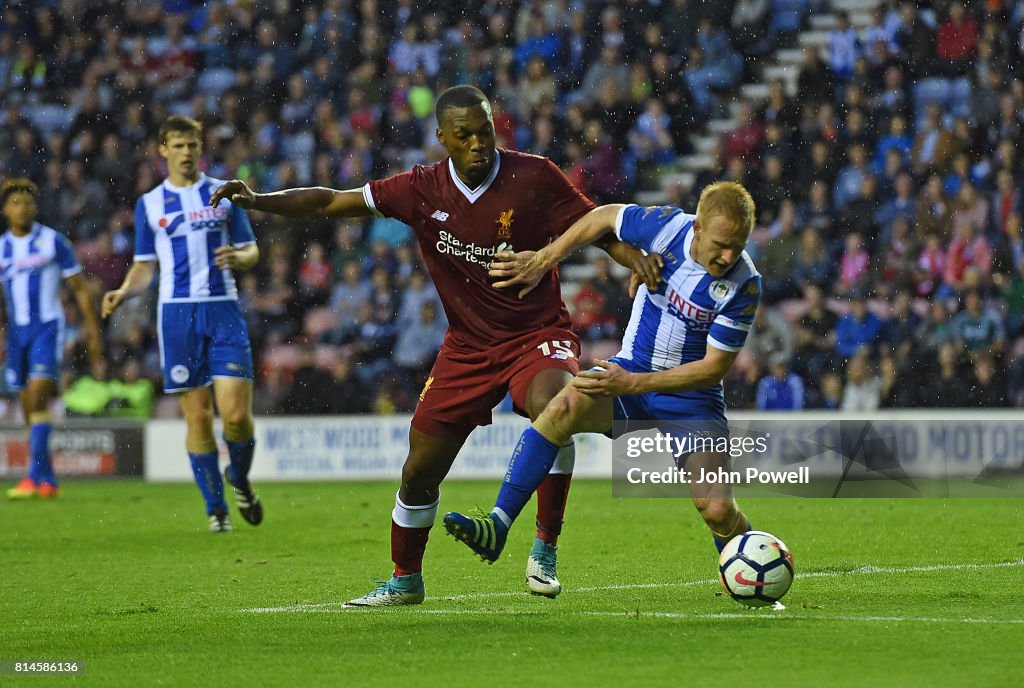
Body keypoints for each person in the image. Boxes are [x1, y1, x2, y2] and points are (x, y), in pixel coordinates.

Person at [210, 85, 659, 606]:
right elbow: (333, 201)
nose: (476, 144)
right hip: (466, 348)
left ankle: (544, 548)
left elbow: (598, 228)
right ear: (442, 137)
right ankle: (406, 578)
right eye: (463, 135)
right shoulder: (419, 188)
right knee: (418, 469)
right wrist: (258, 199)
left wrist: (636, 261)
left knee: (556, 405)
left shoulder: (534, 175)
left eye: (484, 131)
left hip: (536, 335)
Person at [442, 182, 764, 577]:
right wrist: (546, 259)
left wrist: (632, 384)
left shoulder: (744, 283)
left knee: (716, 509)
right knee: (563, 406)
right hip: (629, 368)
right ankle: (497, 524)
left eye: (738, 245)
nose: (729, 255)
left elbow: (714, 367)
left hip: (690, 396)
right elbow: (600, 218)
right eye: (721, 243)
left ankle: (756, 564)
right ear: (697, 228)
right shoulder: (666, 227)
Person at [101, 116, 263, 534]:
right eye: (178, 145)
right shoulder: (150, 204)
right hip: (176, 316)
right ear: (163, 150)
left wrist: (240, 259)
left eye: (192, 144)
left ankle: (240, 479)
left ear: (200, 147)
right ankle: (216, 509)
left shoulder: (222, 192)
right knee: (196, 417)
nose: (186, 152)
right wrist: (123, 292)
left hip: (222, 308)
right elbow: (142, 266)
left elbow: (251, 250)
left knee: (236, 417)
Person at [3, 178, 102, 499]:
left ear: (36, 207)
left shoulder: (52, 241)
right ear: (5, 210)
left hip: (48, 327)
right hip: (17, 333)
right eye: (15, 203)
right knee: (28, 405)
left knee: (37, 396)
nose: (23, 208)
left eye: (28, 202)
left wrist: (93, 335)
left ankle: (33, 476)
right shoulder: (2, 247)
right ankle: (46, 479)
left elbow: (80, 291)